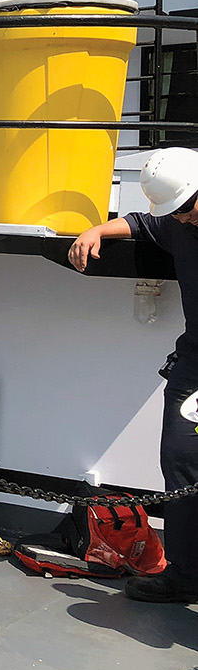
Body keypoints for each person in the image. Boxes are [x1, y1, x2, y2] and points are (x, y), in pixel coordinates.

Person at [70, 147, 198, 602]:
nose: (181, 219)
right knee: (181, 460)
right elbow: (145, 224)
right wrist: (98, 229)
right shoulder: (178, 222)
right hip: (195, 364)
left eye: (186, 208)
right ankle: (186, 575)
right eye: (176, 212)